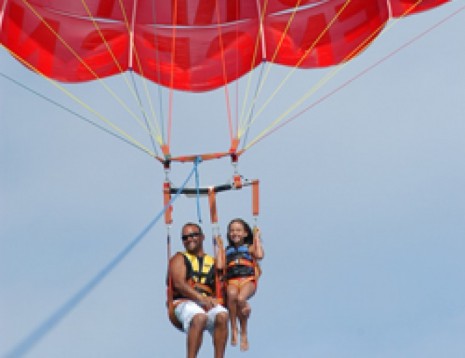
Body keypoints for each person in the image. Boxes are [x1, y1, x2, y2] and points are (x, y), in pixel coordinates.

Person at [167, 222, 229, 358]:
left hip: (206, 304)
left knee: (223, 315)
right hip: (184, 303)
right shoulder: (179, 258)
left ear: (202, 237)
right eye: (185, 237)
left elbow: (222, 286)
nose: (189, 239)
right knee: (199, 317)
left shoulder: (212, 261)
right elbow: (179, 284)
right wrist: (201, 298)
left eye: (193, 235)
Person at [224, 218, 264, 351]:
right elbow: (219, 265)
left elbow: (259, 255)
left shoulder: (250, 247)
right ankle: (233, 328)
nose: (235, 233)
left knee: (241, 298)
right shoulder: (227, 251)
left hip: (248, 280)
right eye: (232, 230)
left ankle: (244, 333)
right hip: (232, 281)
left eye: (238, 230)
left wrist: (257, 238)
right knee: (231, 294)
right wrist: (218, 247)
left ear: (245, 233)